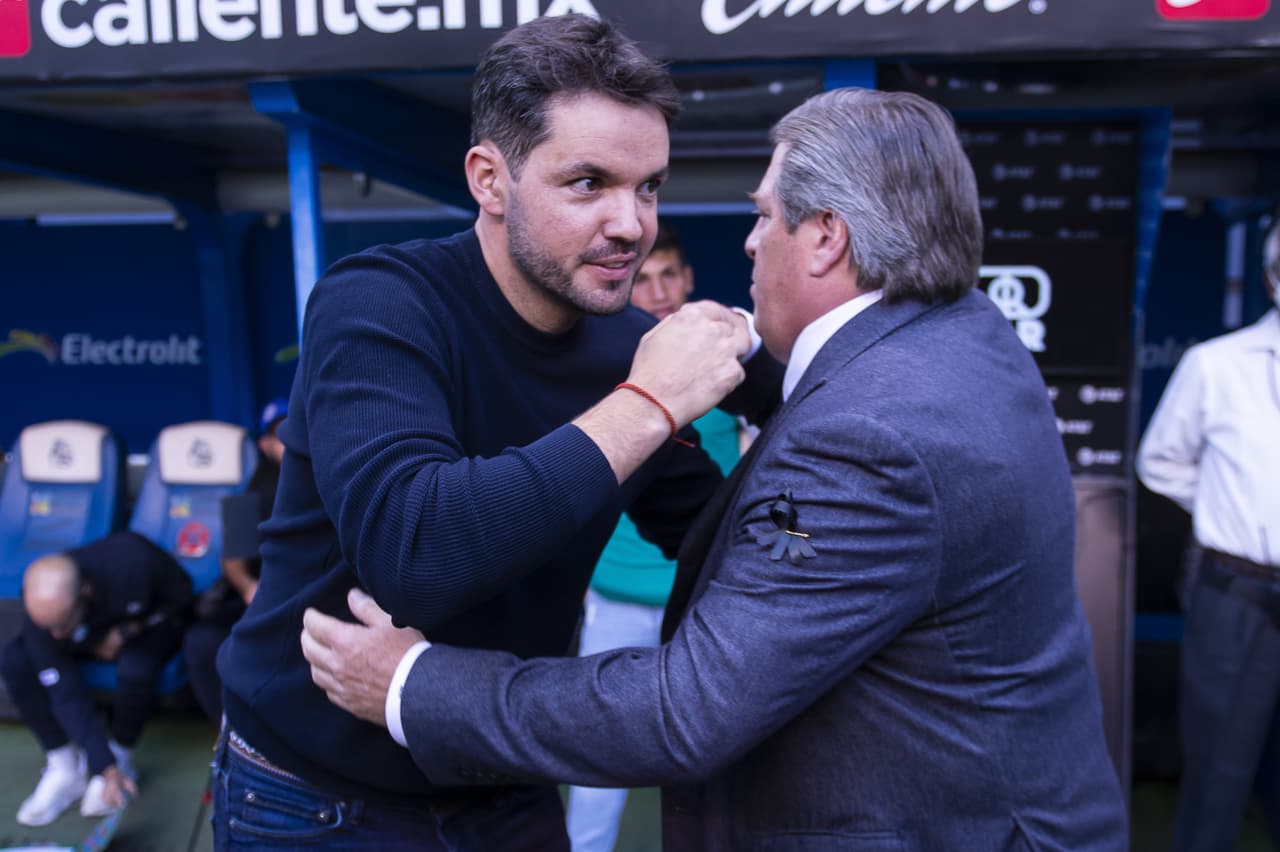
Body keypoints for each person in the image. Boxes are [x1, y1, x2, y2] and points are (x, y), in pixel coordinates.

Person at [303, 87, 1130, 851]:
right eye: (588, 184)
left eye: (763, 215)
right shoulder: (966, 339)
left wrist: (414, 685)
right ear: (490, 180)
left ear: (827, 237)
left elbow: (687, 707)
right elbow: (753, 519)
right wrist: (674, 385)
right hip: (334, 798)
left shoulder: (869, 432)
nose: (748, 239)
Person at [213, 13, 773, 851]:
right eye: (588, 183)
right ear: (489, 179)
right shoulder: (380, 305)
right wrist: (650, 403)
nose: (630, 222)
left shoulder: (626, 346)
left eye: (648, 186)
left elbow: (720, 538)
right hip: (316, 800)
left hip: (502, 783)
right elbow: (416, 556)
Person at [566, 221, 744, 852]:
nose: (659, 290)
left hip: (704, 601)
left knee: (718, 755)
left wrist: (789, 545)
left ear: (689, 278)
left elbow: (775, 476)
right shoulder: (600, 361)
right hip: (616, 597)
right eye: (644, 278)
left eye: (669, 274)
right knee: (594, 759)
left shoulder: (730, 362)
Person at [1137, 216, 1280, 852]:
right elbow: (1159, 461)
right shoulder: (1216, 365)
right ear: (1272, 279)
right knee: (1219, 771)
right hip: (1237, 591)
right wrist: (1231, 505)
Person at [1, 531, 192, 825]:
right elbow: (66, 693)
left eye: (61, 625)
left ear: (85, 591)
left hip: (140, 625)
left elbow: (183, 599)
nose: (55, 636)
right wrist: (103, 764)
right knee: (15, 659)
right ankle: (64, 766)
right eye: (48, 627)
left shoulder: (135, 562)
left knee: (136, 667)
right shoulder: (44, 609)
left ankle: (121, 753)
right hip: (87, 635)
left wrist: (130, 630)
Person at [182, 398, 287, 724]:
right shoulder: (251, 492)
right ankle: (230, 728)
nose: (289, 439)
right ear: (266, 445)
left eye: (295, 429)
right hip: (261, 597)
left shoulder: (327, 481)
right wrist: (249, 587)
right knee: (201, 642)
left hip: (306, 600)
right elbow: (232, 560)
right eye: (280, 434)